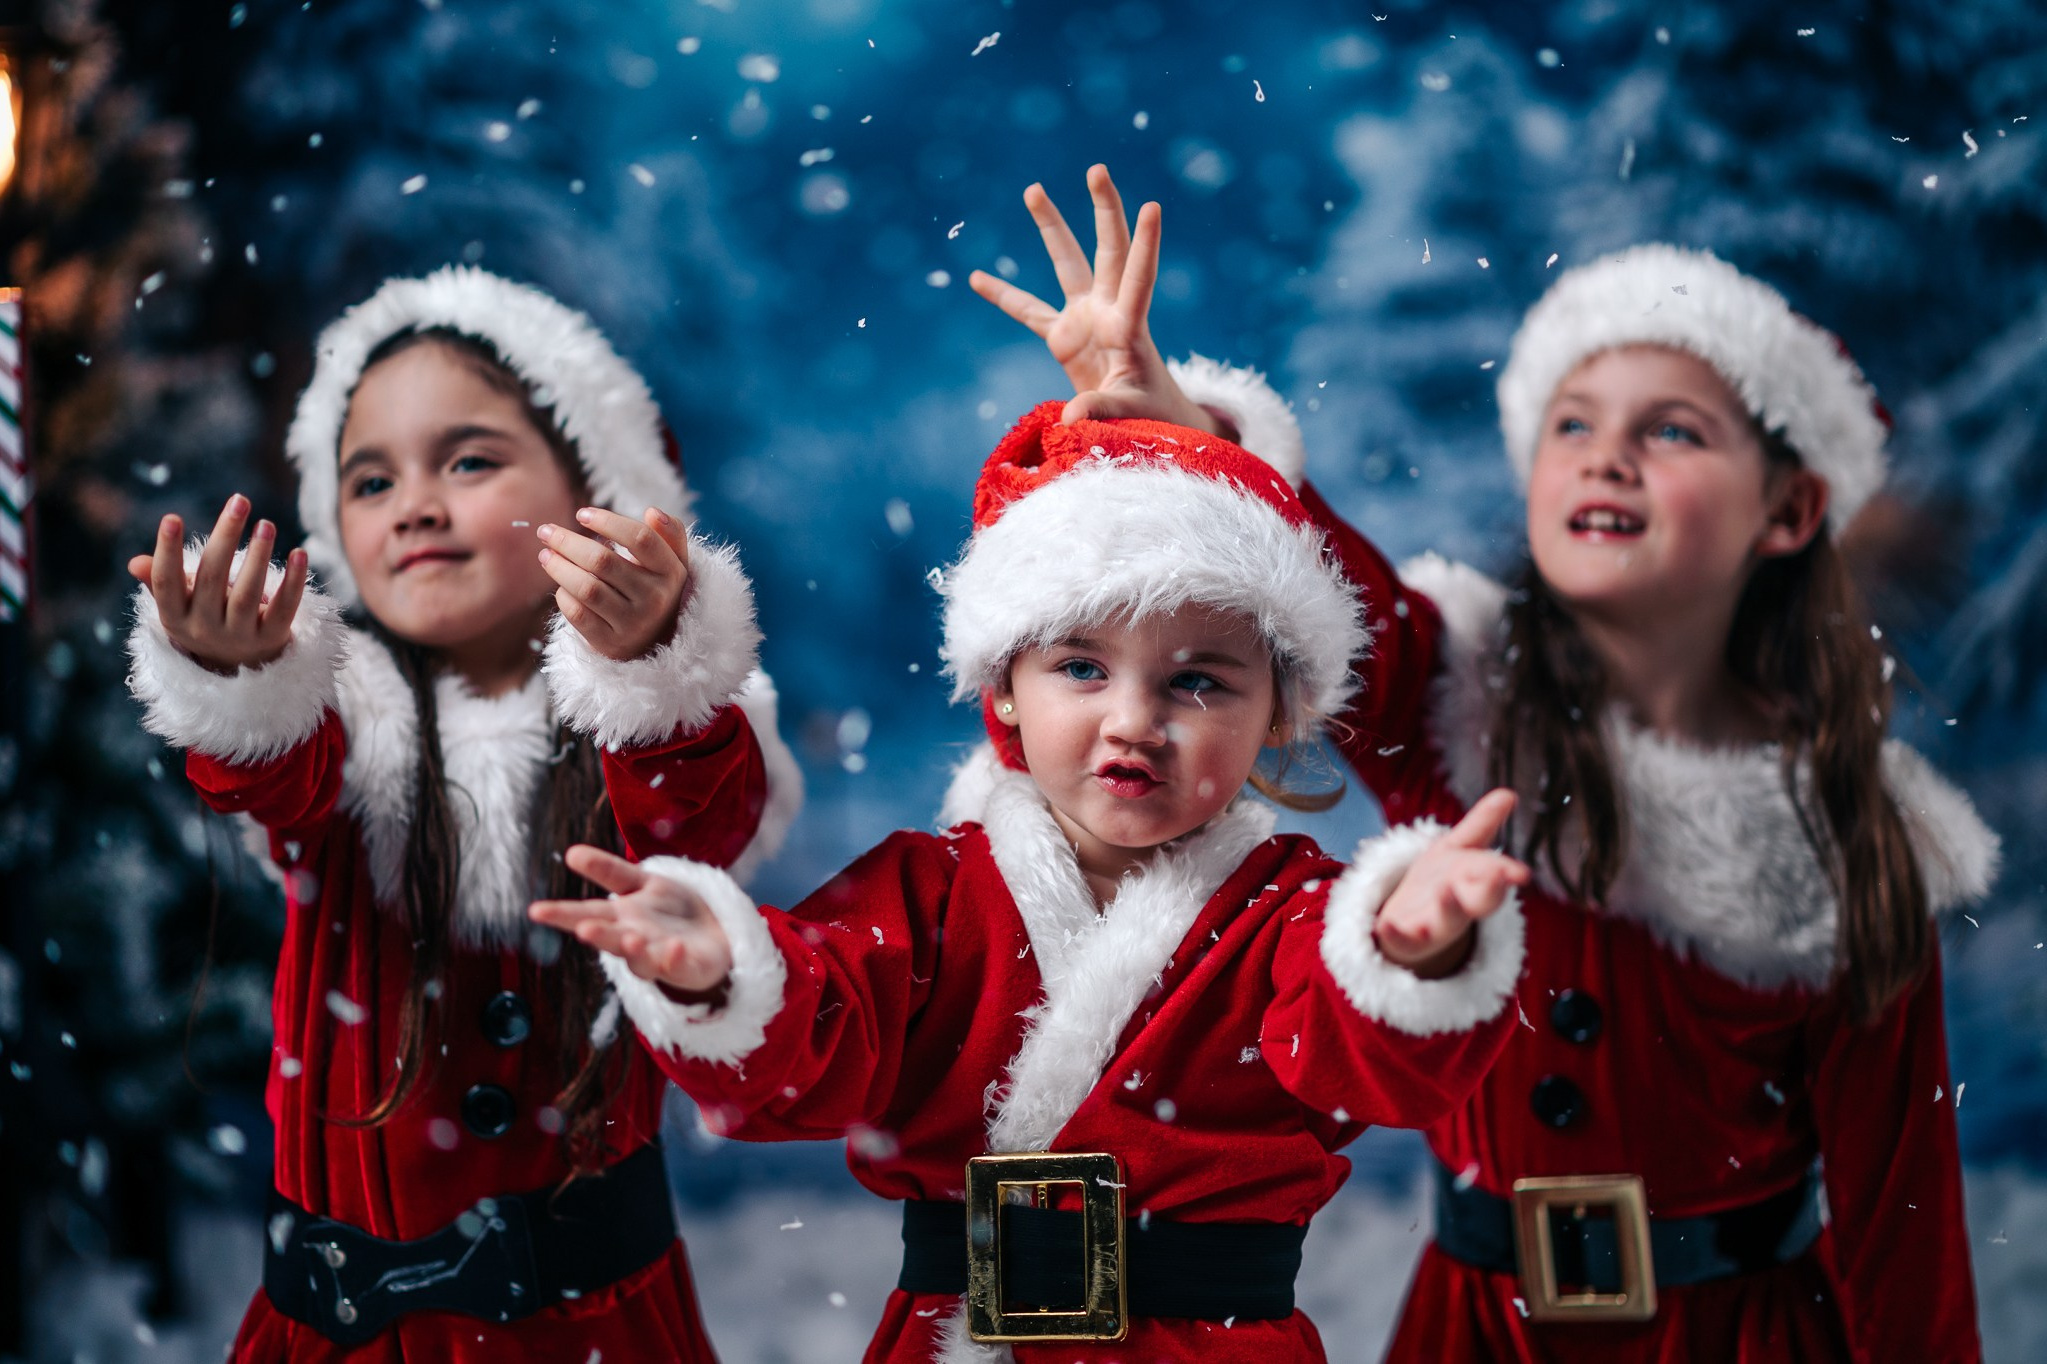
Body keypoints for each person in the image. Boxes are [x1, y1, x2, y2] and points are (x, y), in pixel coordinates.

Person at [979, 167, 2002, 1363]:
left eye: (1669, 429)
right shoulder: (1456, 698)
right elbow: (1322, 581)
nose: (1604, 457)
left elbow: (1903, 1207)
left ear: (1788, 508)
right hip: (1473, 1326)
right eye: (1572, 423)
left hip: (1735, 1332)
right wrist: (1175, 427)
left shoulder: (1844, 831)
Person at [531, 392, 1534, 1363]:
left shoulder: (1299, 918)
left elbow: (1367, 1057)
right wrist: (718, 977)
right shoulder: (923, 894)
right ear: (1003, 687)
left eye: (1198, 679)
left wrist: (1412, 953)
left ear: (1278, 711)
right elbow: (813, 1033)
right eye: (1082, 668)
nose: (1134, 719)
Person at [123, 266, 800, 1360]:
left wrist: (656, 668)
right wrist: (235, 681)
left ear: (596, 490)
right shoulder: (337, 736)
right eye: (371, 480)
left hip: (592, 1327)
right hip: (339, 1329)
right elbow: (267, 777)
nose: (417, 505)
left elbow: (701, 823)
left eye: (470, 459)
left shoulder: (652, 737)